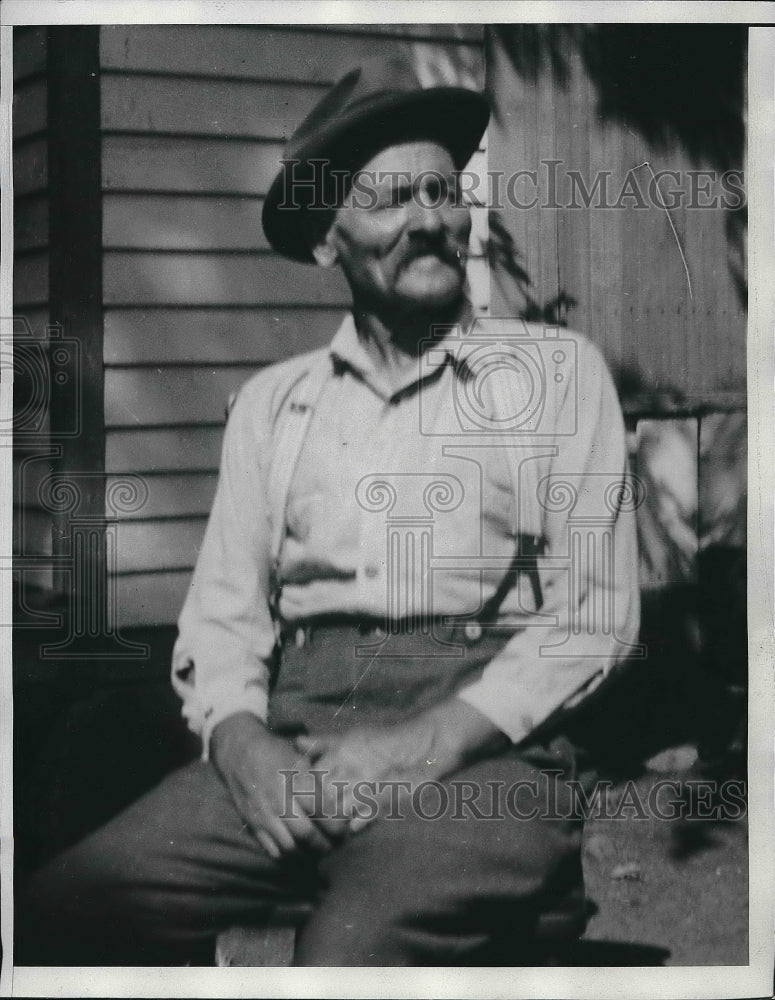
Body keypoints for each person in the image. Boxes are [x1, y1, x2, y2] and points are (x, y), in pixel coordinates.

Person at [17, 56, 640, 967]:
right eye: (392, 198)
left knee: (352, 947)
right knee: (60, 912)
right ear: (325, 240)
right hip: (297, 741)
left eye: (443, 190)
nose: (431, 220)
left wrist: (423, 744)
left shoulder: (555, 375)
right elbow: (224, 619)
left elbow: (593, 617)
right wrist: (239, 742)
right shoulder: (275, 406)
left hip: (488, 753)